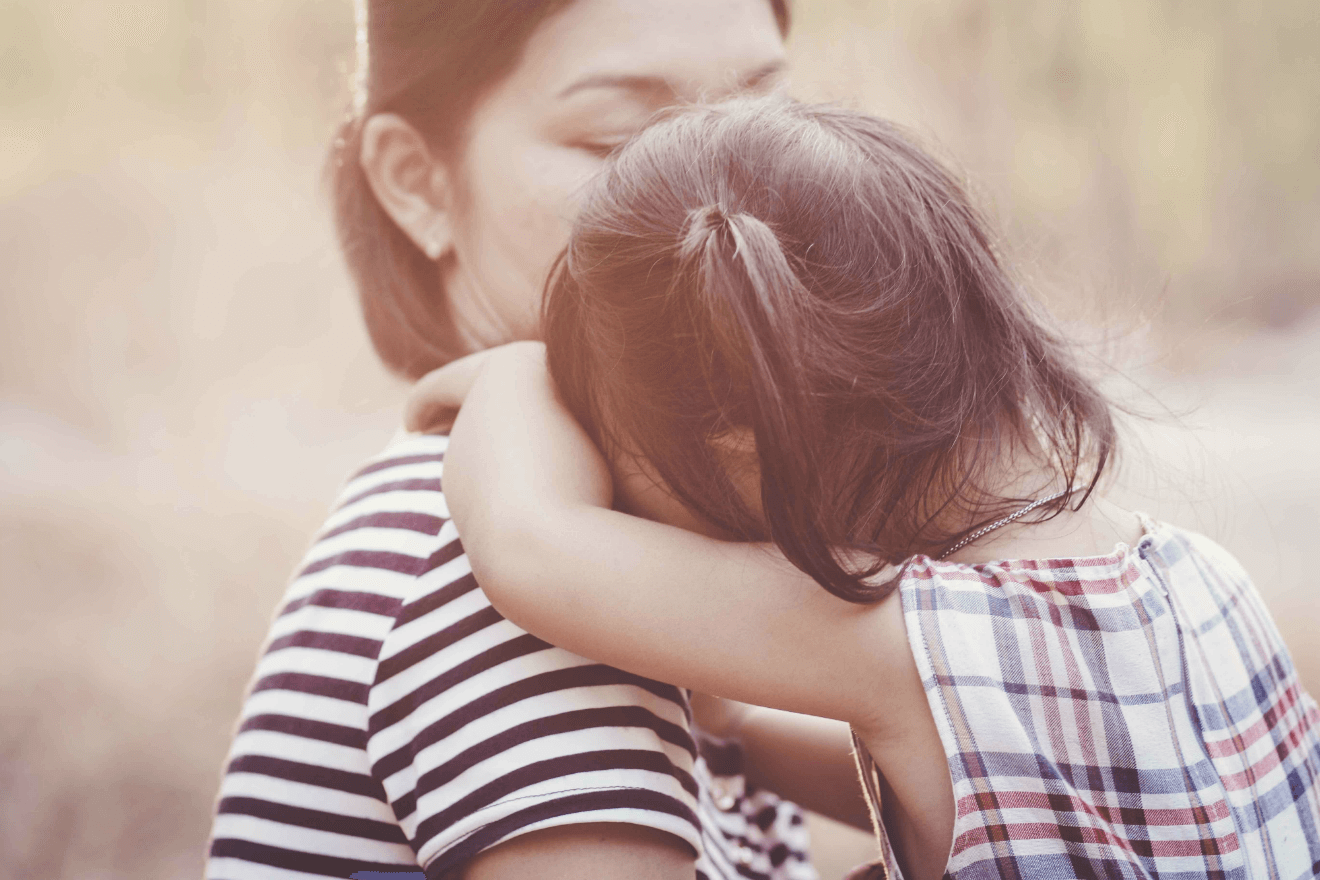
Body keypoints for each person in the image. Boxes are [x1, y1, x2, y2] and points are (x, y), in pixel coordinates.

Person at [418, 96, 1320, 880]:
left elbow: (531, 544)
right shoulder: (1202, 581)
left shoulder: (907, 641)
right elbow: (1030, 788)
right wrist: (743, 737)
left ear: (741, 419)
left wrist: (511, 378)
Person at [205, 3, 871, 879]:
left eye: (763, 117)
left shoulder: (626, 552)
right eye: (619, 138)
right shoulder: (499, 563)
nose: (733, 200)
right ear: (417, 182)